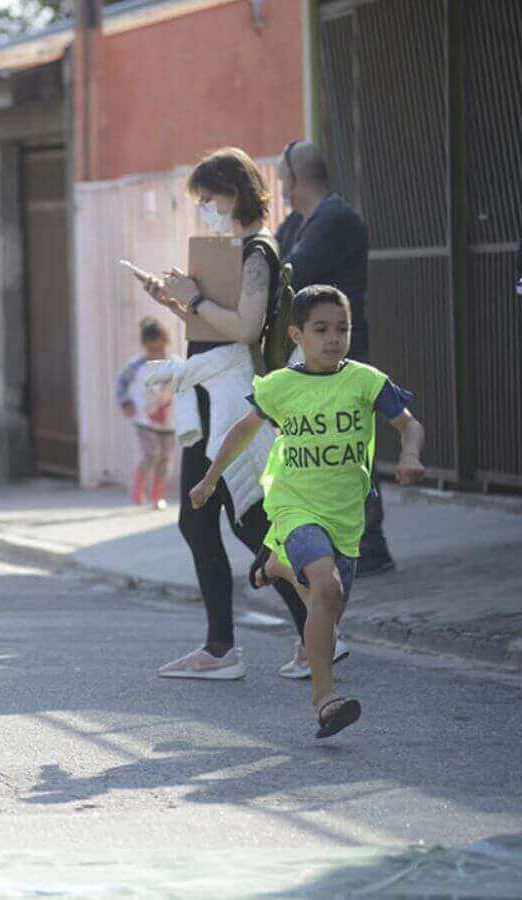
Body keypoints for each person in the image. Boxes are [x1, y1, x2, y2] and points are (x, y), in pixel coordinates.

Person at [190, 285, 424, 737]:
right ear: (297, 334)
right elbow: (241, 432)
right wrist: (210, 478)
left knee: (329, 608)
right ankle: (325, 697)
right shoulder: (280, 386)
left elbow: (408, 424)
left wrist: (411, 454)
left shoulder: (366, 381)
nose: (333, 338)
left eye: (342, 329)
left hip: (345, 514)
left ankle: (275, 563)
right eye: (321, 330)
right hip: (294, 504)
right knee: (325, 583)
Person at [137, 146, 320, 681]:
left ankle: (310, 629)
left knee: (245, 520)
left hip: (233, 403)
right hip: (210, 399)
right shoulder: (231, 250)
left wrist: (192, 302)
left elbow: (244, 328)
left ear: (236, 193)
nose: (205, 209)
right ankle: (227, 647)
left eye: (209, 199)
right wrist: (175, 300)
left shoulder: (256, 251)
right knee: (204, 522)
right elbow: (216, 323)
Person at [275, 140, 393, 577]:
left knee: (350, 448)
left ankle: (371, 545)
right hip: (311, 359)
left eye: (283, 174)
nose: (281, 182)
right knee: (325, 450)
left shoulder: (333, 219)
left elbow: (289, 274)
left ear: (294, 176)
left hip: (342, 355)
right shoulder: (298, 223)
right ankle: (340, 541)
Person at [115, 317, 179, 509]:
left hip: (169, 421)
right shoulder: (135, 366)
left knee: (165, 458)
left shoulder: (174, 365)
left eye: (159, 349)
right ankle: (138, 487)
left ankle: (157, 495)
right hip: (144, 419)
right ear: (145, 346)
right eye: (152, 350)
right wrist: (125, 402)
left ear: (165, 344)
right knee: (151, 454)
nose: (156, 354)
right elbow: (121, 385)